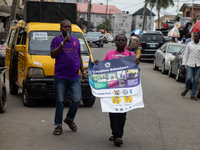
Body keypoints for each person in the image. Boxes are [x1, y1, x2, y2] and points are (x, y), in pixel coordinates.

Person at [94, 34, 139, 146]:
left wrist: (137, 64)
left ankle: (119, 136)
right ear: (115, 42)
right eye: (118, 40)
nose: (120, 42)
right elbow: (102, 68)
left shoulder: (130, 54)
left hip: (124, 89)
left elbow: (135, 71)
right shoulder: (110, 54)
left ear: (126, 43)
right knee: (113, 112)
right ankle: (114, 132)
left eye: (122, 40)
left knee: (122, 112)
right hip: (111, 89)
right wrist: (96, 64)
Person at [50, 19, 86, 135]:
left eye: (69, 27)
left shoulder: (76, 41)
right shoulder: (56, 40)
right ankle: (58, 125)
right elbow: (53, 55)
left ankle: (69, 119)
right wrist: (63, 43)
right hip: (60, 76)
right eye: (64, 27)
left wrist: (83, 72)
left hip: (74, 76)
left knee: (77, 99)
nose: (67, 29)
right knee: (60, 101)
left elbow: (79, 56)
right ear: (60, 29)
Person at [181, 33, 200, 100]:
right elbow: (185, 55)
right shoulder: (189, 44)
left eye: (197, 36)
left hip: (198, 65)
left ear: (199, 38)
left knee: (195, 80)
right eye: (194, 36)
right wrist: (183, 65)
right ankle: (187, 88)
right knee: (188, 78)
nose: (195, 37)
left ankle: (192, 95)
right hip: (190, 64)